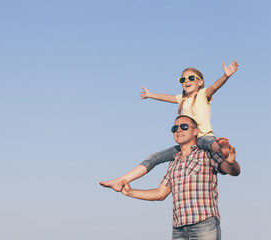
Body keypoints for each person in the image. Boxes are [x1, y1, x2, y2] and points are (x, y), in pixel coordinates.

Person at [100, 60, 239, 192]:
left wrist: (225, 76)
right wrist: (150, 94)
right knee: (155, 157)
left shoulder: (203, 95)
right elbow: (165, 96)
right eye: (182, 80)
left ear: (200, 82)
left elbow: (215, 86)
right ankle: (121, 180)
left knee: (211, 143)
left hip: (204, 137)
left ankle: (222, 149)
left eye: (191, 78)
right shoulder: (182, 99)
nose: (186, 81)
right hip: (189, 144)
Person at [121, 115, 240, 240]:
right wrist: (130, 192)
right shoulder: (174, 163)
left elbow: (231, 170)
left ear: (195, 131)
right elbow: (160, 193)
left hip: (204, 224)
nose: (178, 130)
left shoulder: (206, 154)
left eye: (184, 127)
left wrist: (231, 162)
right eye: (174, 128)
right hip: (179, 229)